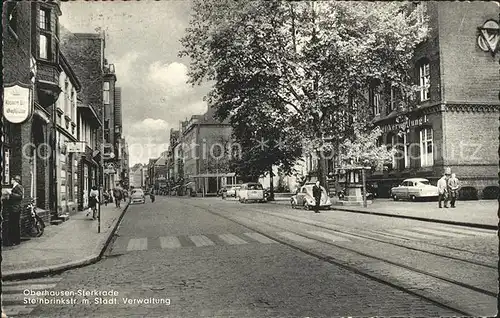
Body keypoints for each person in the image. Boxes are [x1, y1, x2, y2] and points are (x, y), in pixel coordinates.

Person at [7, 176, 24, 246]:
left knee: (15, 224)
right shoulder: (14, 186)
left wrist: (11, 193)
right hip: (13, 208)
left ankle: (16, 240)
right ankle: (14, 240)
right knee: (13, 224)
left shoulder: (18, 187)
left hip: (16, 209)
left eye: (11, 179)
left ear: (14, 180)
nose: (10, 180)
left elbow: (20, 196)